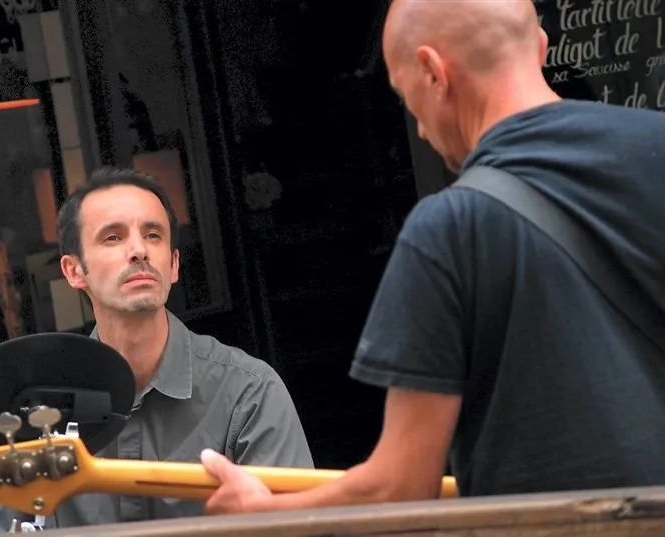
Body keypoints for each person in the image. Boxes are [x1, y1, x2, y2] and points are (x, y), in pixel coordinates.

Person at [199, 0, 665, 515]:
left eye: (405, 95)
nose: (419, 129)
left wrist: (263, 511)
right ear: (539, 47)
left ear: (433, 72)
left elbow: (401, 486)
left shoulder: (448, 227)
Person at [0, 167, 313, 534]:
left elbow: (297, 528)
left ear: (174, 265)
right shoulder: (31, 409)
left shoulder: (248, 393)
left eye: (153, 235)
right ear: (74, 270)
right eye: (113, 237)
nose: (139, 250)